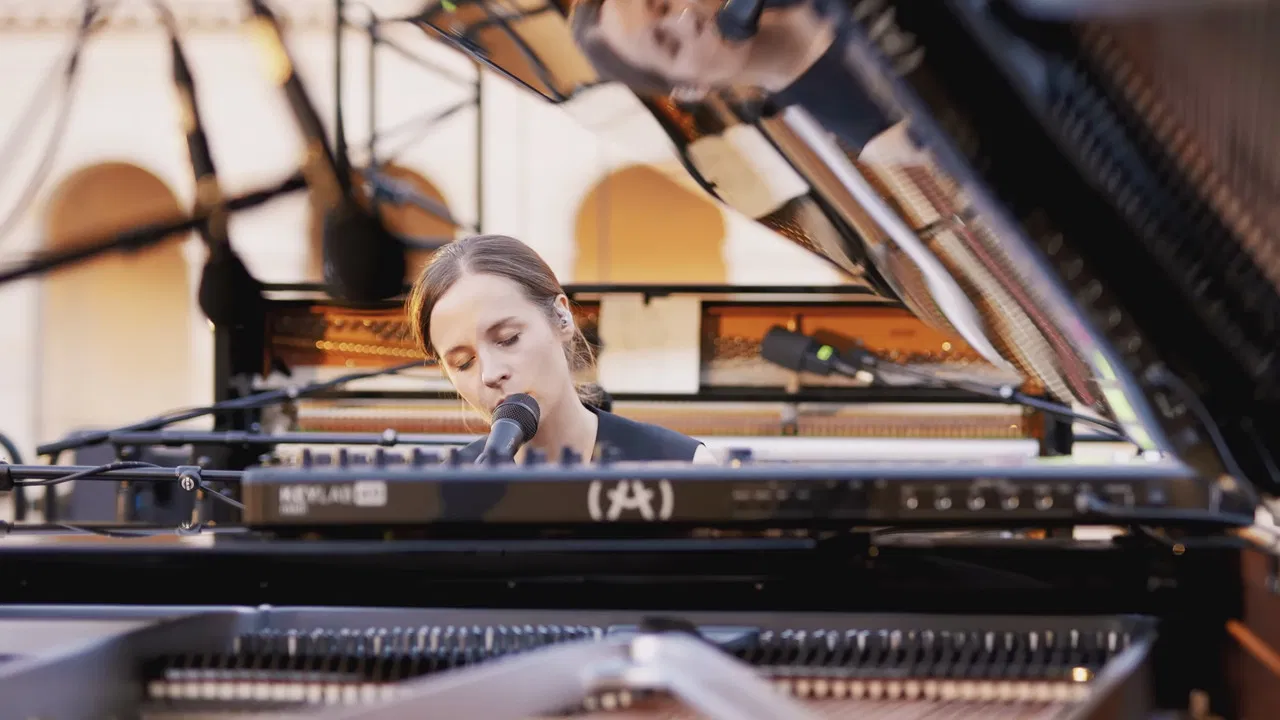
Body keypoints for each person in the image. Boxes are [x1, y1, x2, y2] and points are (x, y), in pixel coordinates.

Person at [406, 234, 718, 464]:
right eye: (463, 363)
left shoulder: (683, 464)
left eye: (508, 338)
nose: (490, 374)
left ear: (561, 317)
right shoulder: (448, 490)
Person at [568, 0, 927, 164]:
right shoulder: (878, 133)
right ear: (692, 87)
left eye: (662, 5)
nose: (686, 18)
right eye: (670, 44)